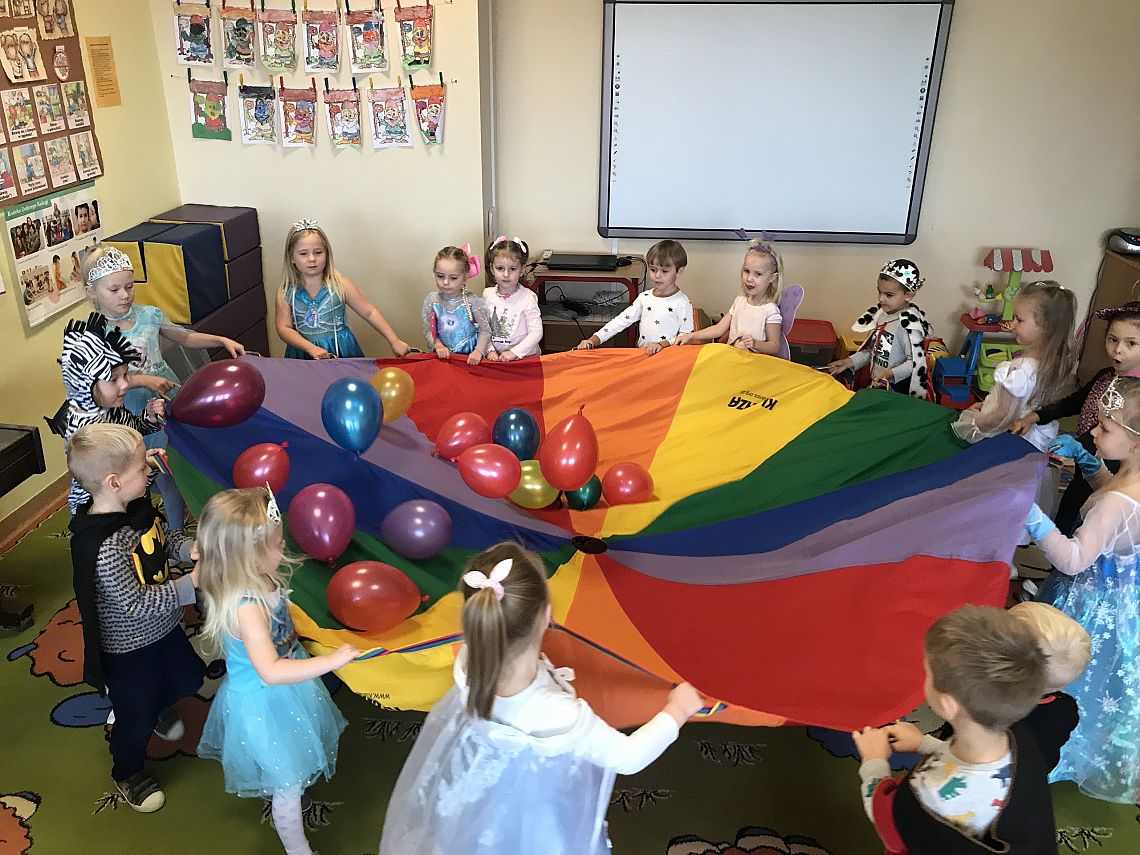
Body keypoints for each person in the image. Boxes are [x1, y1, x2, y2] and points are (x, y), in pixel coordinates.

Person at [380, 542, 704, 853]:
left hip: (481, 778)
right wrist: (678, 709)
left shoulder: (469, 659)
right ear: (547, 615)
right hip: (531, 797)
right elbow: (629, 757)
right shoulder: (557, 711)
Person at [196, 487, 357, 855]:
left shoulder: (260, 579)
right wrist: (332, 662)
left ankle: (278, 778)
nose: (284, 547)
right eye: (277, 543)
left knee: (293, 752)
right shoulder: (247, 608)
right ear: (249, 558)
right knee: (289, 785)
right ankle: (297, 849)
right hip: (265, 699)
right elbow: (270, 670)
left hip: (288, 685)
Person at [66, 423, 204, 813]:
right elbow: (135, 603)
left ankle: (160, 706)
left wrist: (189, 549)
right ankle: (127, 771)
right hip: (129, 650)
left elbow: (160, 541)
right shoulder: (105, 547)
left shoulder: (137, 509)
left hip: (163, 628)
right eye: (142, 467)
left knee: (174, 677)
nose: (150, 470)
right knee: (134, 714)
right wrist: (191, 585)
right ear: (113, 482)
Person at [1022, 375, 1140, 803]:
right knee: (1103, 683)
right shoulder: (1130, 483)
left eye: (1104, 428)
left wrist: (1032, 516)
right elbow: (1113, 496)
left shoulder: (1116, 504)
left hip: (1088, 602)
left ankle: (1054, 754)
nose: (1093, 432)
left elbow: (1073, 559)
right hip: (1123, 600)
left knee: (1064, 675)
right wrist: (1090, 464)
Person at [852, 605, 1054, 853]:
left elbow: (890, 825)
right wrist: (924, 743)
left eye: (928, 673)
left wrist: (874, 761)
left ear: (948, 705)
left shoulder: (929, 792)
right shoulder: (1020, 737)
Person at [84, 245, 244, 530]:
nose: (125, 295)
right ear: (92, 292)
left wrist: (220, 340)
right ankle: (154, 526)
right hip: (129, 409)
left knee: (171, 466)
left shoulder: (149, 315)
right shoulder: (95, 332)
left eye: (129, 286)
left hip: (165, 400)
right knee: (142, 470)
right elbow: (101, 379)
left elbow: (184, 338)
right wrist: (145, 380)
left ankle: (177, 528)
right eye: (114, 290)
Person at [1013, 303, 1140, 538]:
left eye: (1131, 343)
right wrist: (1036, 416)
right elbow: (1075, 402)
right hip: (1086, 467)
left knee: (1087, 525)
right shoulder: (1106, 376)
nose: (1117, 350)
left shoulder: (1136, 398)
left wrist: (1081, 448)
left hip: (1111, 474)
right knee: (1068, 512)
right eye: (1112, 340)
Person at [51, 312, 166, 514]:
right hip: (106, 509)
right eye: (113, 379)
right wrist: (146, 466)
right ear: (85, 383)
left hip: (127, 495)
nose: (124, 385)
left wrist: (148, 417)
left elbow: (130, 431)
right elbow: (116, 482)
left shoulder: (109, 407)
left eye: (125, 375)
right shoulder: (87, 429)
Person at [275, 219, 410, 360]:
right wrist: (310, 348)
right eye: (303, 254)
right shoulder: (286, 292)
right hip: (302, 353)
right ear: (291, 257)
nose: (312, 258)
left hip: (341, 350)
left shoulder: (341, 285)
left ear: (327, 254)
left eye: (318, 252)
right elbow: (284, 328)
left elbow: (369, 312)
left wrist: (394, 340)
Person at [825, 260, 933, 397]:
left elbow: (914, 363)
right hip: (878, 383)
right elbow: (872, 351)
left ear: (908, 295)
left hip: (896, 389)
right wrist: (849, 362)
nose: (881, 299)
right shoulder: (882, 316)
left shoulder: (909, 326)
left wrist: (889, 374)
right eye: (879, 292)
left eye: (889, 295)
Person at [579, 240, 694, 355]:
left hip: (667, 359)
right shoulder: (644, 298)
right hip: (643, 357)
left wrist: (663, 344)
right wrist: (594, 339)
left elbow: (686, 337)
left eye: (664, 271)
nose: (657, 275)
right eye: (653, 270)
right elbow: (620, 321)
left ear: (679, 271)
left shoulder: (682, 302)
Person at [676, 241, 780, 355]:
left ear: (772, 278)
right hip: (732, 358)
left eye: (758, 274)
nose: (749, 278)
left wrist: (755, 344)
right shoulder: (739, 301)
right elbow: (718, 329)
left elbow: (774, 346)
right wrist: (691, 336)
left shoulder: (770, 310)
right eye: (746, 271)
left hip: (754, 362)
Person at [422, 245, 491, 365]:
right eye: (440, 276)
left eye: (453, 278)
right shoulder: (432, 300)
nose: (445, 282)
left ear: (465, 277)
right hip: (443, 359)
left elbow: (485, 330)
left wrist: (478, 351)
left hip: (470, 360)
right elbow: (429, 330)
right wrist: (437, 345)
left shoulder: (472, 301)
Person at [482, 236, 543, 361]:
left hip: (525, 358)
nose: (506, 274)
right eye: (500, 268)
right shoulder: (487, 295)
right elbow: (483, 327)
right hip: (496, 358)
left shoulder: (528, 297)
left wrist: (515, 353)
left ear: (522, 270)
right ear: (492, 269)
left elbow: (536, 332)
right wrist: (489, 349)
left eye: (512, 269)